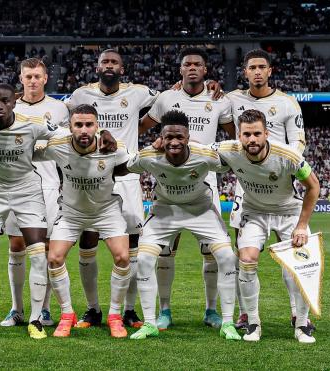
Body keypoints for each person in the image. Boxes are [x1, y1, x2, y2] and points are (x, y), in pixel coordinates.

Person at [0, 83, 115, 339]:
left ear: (14, 102)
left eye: (4, 101)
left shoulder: (31, 123)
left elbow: (68, 133)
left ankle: (36, 319)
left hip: (27, 191)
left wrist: (103, 133)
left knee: (37, 253)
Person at [139, 47, 234, 330]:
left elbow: (234, 137)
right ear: (180, 70)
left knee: (212, 252)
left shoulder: (219, 99)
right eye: (187, 64)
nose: (192, 67)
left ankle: (211, 310)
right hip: (169, 181)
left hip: (204, 182)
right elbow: (141, 127)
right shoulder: (167, 98)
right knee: (165, 250)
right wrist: (151, 148)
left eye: (197, 64)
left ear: (206, 70)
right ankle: (164, 310)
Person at [128, 110, 241, 341]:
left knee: (227, 257)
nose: (174, 142)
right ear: (161, 137)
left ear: (188, 137)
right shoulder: (150, 155)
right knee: (144, 259)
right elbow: (126, 166)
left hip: (200, 209)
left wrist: (208, 146)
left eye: (180, 137)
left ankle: (226, 321)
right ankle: (152, 321)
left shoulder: (204, 154)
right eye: (169, 137)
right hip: (165, 210)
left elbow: (227, 162)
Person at [66, 49, 159, 328]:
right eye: (104, 61)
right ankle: (93, 309)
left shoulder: (139, 92)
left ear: (122, 68)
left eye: (114, 62)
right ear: (97, 67)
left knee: (131, 245)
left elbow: (170, 98)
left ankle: (128, 310)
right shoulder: (81, 95)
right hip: (92, 177)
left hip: (127, 176)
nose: (109, 65)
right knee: (88, 241)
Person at [215, 109, 320, 343]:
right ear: (239, 136)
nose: (252, 139)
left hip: (289, 213)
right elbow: (196, 151)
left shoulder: (288, 155)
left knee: (301, 264)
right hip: (254, 212)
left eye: (257, 134)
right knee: (247, 258)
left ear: (266, 133)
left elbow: (313, 186)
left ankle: (302, 325)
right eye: (246, 134)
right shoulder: (228, 150)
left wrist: (302, 225)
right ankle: (253, 324)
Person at [226, 49, 310, 331]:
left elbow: (298, 142)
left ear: (270, 71)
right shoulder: (231, 99)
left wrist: (279, 166)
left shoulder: (287, 103)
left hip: (280, 178)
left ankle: (298, 314)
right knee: (244, 253)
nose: (258, 71)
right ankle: (245, 313)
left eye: (263, 67)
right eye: (252, 67)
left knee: (293, 254)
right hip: (247, 185)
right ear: (245, 71)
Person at [35, 104, 131, 338]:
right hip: (71, 212)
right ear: (70, 127)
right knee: (54, 258)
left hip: (106, 210)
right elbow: (29, 147)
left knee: (123, 256)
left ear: (98, 126)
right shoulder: (57, 146)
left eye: (89, 124)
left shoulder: (113, 148)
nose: (84, 130)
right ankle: (67, 315)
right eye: (78, 125)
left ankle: (115, 316)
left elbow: (128, 166)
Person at [1, 58, 69, 328]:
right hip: (15, 184)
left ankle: (44, 310)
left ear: (44, 79)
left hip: (48, 185)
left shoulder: (60, 108)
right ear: (21, 78)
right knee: (16, 246)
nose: (32, 81)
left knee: (47, 249)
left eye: (37, 76)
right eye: (27, 76)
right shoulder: (9, 105)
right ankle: (16, 309)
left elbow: (66, 139)